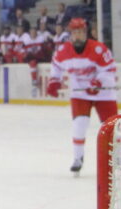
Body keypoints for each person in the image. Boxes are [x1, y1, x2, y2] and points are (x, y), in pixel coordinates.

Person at [46, 17, 117, 173]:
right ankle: (78, 158)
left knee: (111, 126)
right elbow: (56, 66)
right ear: (70, 34)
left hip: (104, 93)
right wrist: (53, 81)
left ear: (85, 33)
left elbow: (110, 70)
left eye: (80, 32)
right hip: (80, 93)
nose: (77, 35)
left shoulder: (99, 49)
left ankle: (120, 157)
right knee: (79, 124)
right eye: (74, 32)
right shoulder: (63, 51)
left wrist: (99, 82)